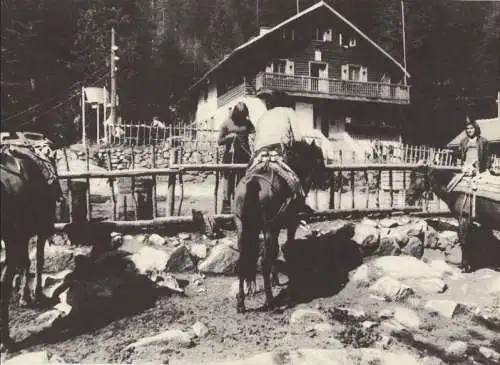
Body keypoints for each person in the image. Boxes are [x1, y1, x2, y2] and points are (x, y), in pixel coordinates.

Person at [251, 91, 315, 215]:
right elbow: (297, 139)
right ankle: (299, 206)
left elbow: (255, 139)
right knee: (296, 177)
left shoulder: (263, 116)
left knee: (249, 172)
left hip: (259, 152)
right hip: (278, 150)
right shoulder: (289, 111)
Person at [218, 101, 255, 213]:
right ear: (235, 114)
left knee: (242, 184)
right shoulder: (226, 123)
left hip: (244, 158)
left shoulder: (248, 123)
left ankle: (240, 210)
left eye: (243, 117)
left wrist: (252, 140)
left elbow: (254, 135)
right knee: (228, 183)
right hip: (230, 157)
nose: (241, 119)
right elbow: (219, 141)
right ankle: (225, 211)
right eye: (239, 117)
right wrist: (229, 137)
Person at [447, 116, 491, 191]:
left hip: (478, 168)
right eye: (467, 129)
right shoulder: (463, 141)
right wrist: (452, 152)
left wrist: (487, 168)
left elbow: (487, 156)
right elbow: (460, 154)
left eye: (471, 128)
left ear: (476, 129)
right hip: (467, 167)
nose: (469, 130)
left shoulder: (483, 141)